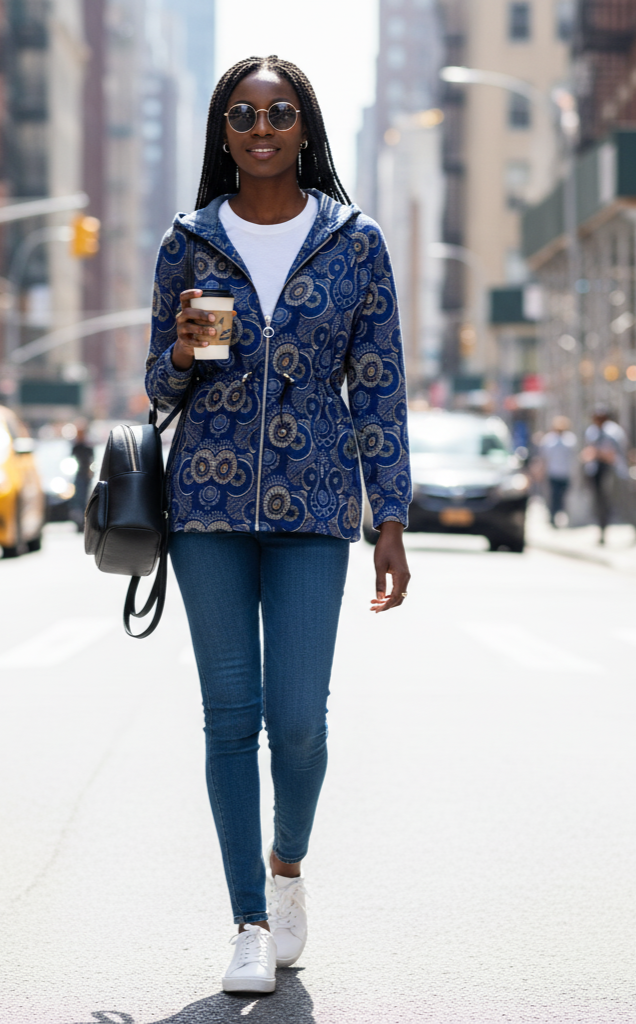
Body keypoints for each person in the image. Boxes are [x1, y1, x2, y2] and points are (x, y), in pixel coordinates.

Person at [145, 55, 411, 995]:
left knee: (298, 724)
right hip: (207, 508)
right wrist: (179, 352)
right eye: (244, 114)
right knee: (231, 720)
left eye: (281, 113)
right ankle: (249, 922)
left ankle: (287, 868)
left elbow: (378, 384)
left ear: (305, 129)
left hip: (315, 504)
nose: (262, 128)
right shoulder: (190, 239)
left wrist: (391, 515)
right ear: (223, 131)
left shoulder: (355, 240)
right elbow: (160, 386)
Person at [581, 405, 628, 543]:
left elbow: (613, 454)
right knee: (600, 503)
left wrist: (597, 453)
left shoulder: (613, 431)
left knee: (619, 502)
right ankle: (602, 531)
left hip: (612, 471)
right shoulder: (592, 431)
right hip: (596, 470)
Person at [539, 415, 577, 526]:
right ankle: (552, 517)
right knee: (553, 496)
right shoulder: (549, 439)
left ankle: (562, 516)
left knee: (564, 497)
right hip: (553, 472)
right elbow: (544, 457)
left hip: (565, 473)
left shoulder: (570, 439)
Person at [70, 425, 94, 531]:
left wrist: (90, 472)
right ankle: (78, 521)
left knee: (85, 499)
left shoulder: (88, 447)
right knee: (77, 500)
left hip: (85, 476)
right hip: (78, 475)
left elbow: (91, 461)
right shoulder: (75, 447)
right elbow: (71, 460)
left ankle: (84, 521)